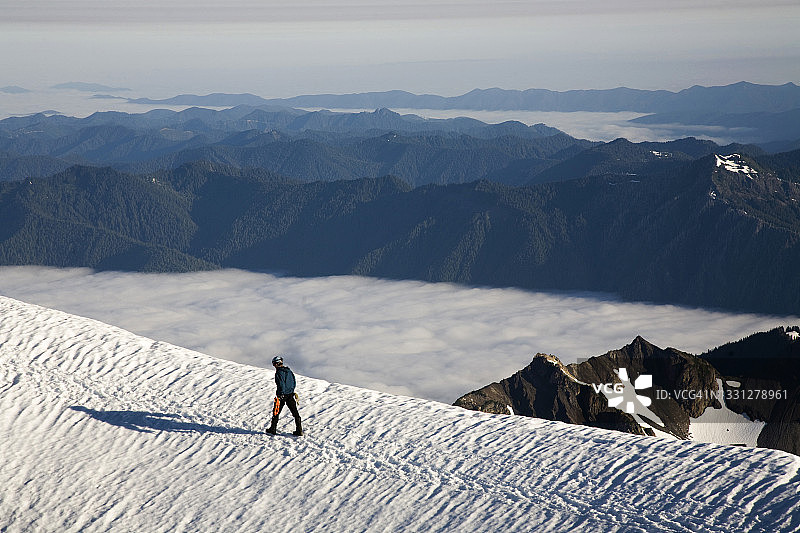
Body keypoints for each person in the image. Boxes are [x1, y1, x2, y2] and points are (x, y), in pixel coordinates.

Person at [266, 355, 303, 436]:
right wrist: (291, 391)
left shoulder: (279, 372)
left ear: (276, 363)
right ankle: (299, 430)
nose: (274, 366)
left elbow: (281, 384)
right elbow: (293, 382)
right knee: (295, 413)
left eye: (274, 364)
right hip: (290, 394)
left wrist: (281, 394)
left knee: (276, 412)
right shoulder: (289, 371)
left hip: (282, 395)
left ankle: (273, 429)